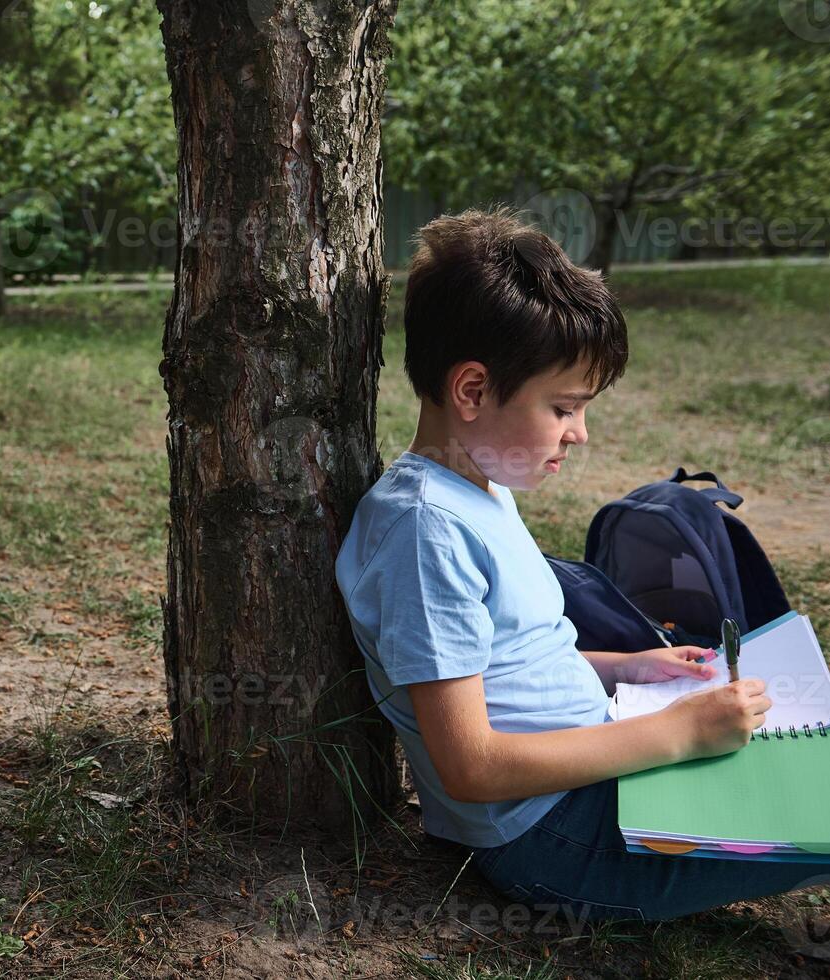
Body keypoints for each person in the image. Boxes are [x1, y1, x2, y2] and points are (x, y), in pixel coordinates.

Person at [334, 207, 823, 923]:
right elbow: (468, 766)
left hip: (593, 777)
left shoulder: (473, 487)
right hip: (554, 835)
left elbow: (502, 665)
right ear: (471, 391)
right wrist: (677, 734)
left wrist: (624, 669)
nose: (580, 432)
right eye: (563, 407)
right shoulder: (424, 531)